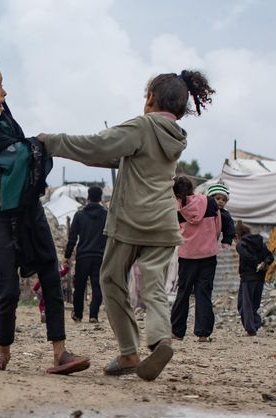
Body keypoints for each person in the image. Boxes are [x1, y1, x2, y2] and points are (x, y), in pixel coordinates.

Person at [39, 70, 214, 381]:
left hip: (132, 220)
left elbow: (97, 144)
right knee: (153, 283)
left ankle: (129, 351)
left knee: (111, 280)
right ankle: (161, 339)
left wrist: (51, 142)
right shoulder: (175, 136)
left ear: (150, 98)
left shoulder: (142, 125)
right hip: (163, 222)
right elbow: (121, 157)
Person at [0, 58, 90, 375]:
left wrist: (34, 146)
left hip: (30, 210)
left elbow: (25, 154)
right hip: (2, 217)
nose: (4, 93)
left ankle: (60, 353)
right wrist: (36, 145)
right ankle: (2, 353)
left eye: (2, 85)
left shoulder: (6, 125)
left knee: (50, 274)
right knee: (8, 287)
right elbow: (22, 154)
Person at [170, 176, 218, 342]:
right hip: (208, 255)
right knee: (203, 293)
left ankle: (177, 332)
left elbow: (174, 231)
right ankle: (203, 333)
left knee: (183, 292)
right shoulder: (210, 203)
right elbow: (218, 228)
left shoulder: (177, 209)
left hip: (187, 256)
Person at [65, 185, 107, 323]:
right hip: (100, 256)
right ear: (100, 198)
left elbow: (72, 238)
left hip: (83, 256)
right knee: (97, 286)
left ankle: (78, 314)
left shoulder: (79, 215)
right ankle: (93, 315)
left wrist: (67, 255)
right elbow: (111, 236)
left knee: (80, 286)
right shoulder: (106, 215)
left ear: (88, 197)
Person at [235, 223, 274, 336]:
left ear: (237, 236)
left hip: (247, 278)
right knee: (254, 303)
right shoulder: (259, 242)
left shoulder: (241, 245)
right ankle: (255, 324)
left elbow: (246, 256)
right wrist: (264, 263)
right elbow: (270, 256)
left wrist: (256, 264)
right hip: (260, 277)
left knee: (244, 303)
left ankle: (251, 328)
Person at [33, 259, 71, 324]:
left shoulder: (43, 275)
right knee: (53, 304)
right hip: (54, 292)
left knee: (42, 304)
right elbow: (63, 272)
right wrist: (66, 267)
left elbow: (38, 284)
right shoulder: (56, 273)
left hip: (45, 292)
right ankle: (53, 317)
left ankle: (43, 312)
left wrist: (35, 289)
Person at [207, 183, 235, 247]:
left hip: (216, 241)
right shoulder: (204, 210)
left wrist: (227, 241)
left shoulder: (225, 214)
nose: (221, 201)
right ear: (209, 198)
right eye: (218, 198)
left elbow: (230, 228)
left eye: (224, 200)